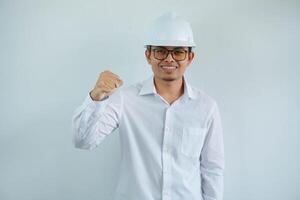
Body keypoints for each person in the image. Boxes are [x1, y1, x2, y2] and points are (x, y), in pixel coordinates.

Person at [72, 12, 224, 200]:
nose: (169, 59)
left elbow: (212, 169)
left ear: (190, 58)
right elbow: (83, 141)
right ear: (148, 56)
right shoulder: (125, 100)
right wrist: (96, 97)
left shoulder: (206, 107)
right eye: (160, 51)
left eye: (178, 51)